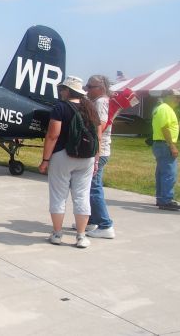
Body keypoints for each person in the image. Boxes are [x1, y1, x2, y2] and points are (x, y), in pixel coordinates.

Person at [38, 76, 99, 248]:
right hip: (86, 158)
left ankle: (57, 234)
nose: (60, 92)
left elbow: (53, 135)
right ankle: (81, 236)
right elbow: (98, 136)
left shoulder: (60, 108)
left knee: (58, 196)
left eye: (62, 89)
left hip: (62, 156)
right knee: (82, 196)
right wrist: (95, 160)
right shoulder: (90, 108)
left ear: (67, 90)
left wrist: (45, 160)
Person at [84, 75, 116, 239]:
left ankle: (105, 225)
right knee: (90, 187)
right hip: (100, 150)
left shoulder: (101, 102)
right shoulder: (100, 102)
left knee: (94, 189)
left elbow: (100, 125)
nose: (86, 89)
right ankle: (91, 220)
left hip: (99, 151)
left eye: (90, 86)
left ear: (101, 88)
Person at [151, 89, 180, 211]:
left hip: (160, 144)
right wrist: (172, 145)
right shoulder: (165, 108)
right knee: (169, 173)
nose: (178, 99)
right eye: (176, 97)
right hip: (165, 144)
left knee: (161, 173)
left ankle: (161, 198)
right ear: (166, 96)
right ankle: (166, 200)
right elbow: (165, 128)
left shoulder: (162, 108)